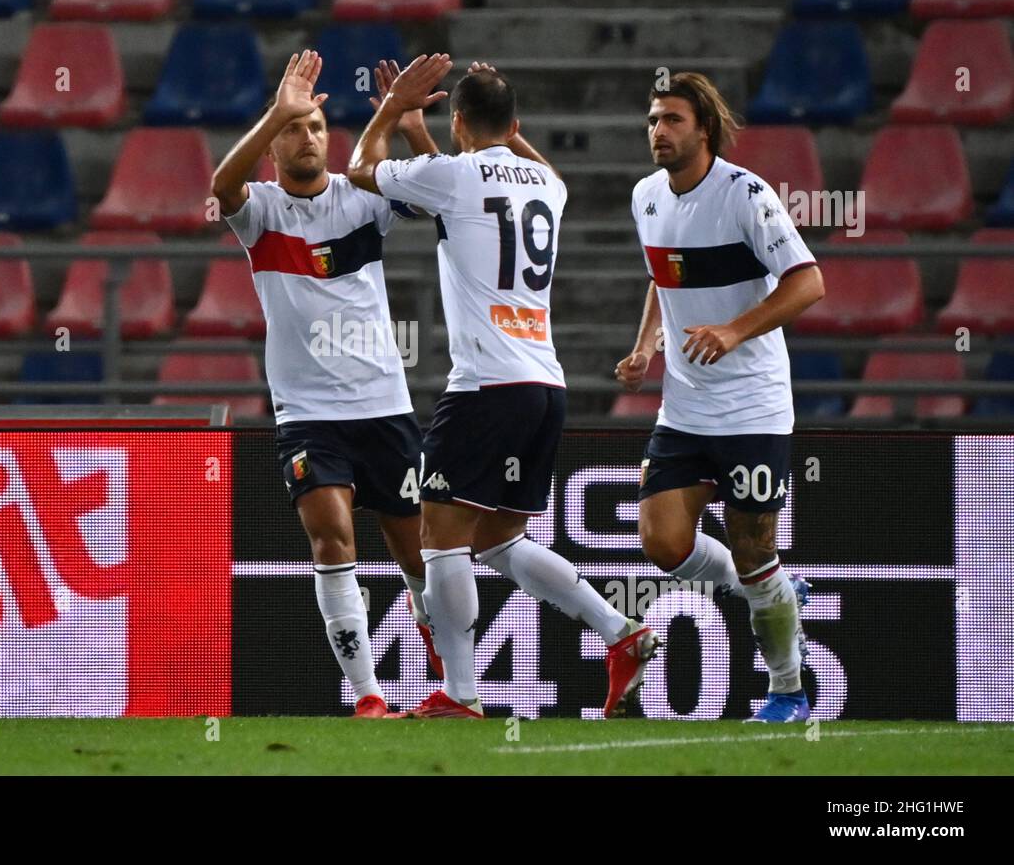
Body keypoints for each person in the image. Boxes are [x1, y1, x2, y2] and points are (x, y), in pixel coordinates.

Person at [349, 57, 659, 719]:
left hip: (484, 388)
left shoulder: (455, 176)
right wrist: (424, 130)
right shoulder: (548, 185)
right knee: (498, 541)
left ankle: (461, 694)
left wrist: (392, 111)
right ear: (514, 125)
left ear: (456, 121)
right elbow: (471, 188)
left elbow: (358, 169)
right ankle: (621, 631)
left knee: (440, 537)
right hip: (543, 387)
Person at [211, 51, 442, 718]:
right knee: (332, 539)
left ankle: (436, 640)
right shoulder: (260, 213)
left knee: (418, 553)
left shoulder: (363, 196)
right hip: (308, 413)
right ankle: (368, 695)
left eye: (314, 126)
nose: (306, 137)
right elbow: (222, 186)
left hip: (384, 407)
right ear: (275, 144)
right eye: (293, 128)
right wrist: (273, 111)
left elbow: (431, 192)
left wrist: (402, 116)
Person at [614, 72, 824, 723]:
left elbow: (809, 282)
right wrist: (646, 345)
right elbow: (663, 274)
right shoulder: (647, 195)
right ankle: (775, 592)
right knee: (662, 543)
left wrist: (735, 330)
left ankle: (787, 689)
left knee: (754, 549)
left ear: (702, 129)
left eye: (672, 120)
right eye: (652, 120)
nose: (659, 131)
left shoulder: (744, 195)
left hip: (752, 407)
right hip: (685, 407)